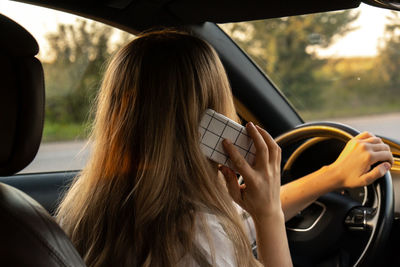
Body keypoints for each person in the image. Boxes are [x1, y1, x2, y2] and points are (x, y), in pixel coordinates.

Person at [56, 29, 393, 267]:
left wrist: (331, 176)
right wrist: (269, 217)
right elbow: (229, 228)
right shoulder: (195, 236)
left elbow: (238, 222)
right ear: (205, 119)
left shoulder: (87, 210)